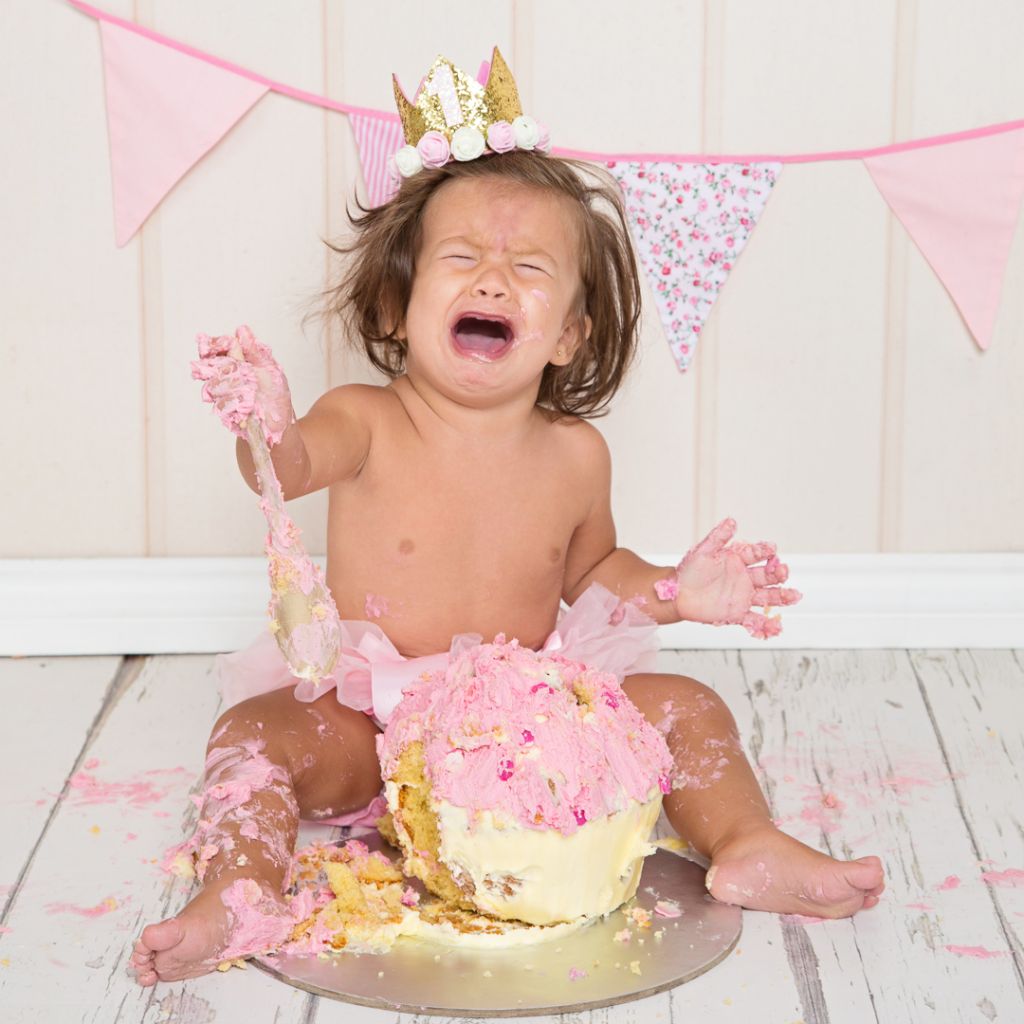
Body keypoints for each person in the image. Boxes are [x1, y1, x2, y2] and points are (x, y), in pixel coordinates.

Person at [131, 67, 883, 987]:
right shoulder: (365, 419)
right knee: (254, 732)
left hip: (524, 722)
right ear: (392, 308)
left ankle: (748, 840)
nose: (495, 275)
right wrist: (267, 421)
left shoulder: (574, 454)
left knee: (688, 706)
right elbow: (280, 473)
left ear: (568, 333)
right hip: (374, 718)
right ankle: (237, 892)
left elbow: (595, 570)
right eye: (462, 259)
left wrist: (677, 592)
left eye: (529, 269)